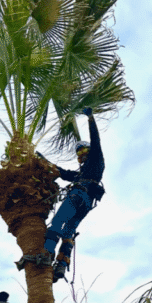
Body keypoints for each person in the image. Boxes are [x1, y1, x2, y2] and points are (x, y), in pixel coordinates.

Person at [44, 107, 105, 282]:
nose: (81, 154)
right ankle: (61, 265)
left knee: (57, 222)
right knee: (69, 231)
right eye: (78, 153)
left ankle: (47, 254)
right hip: (86, 203)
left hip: (78, 195)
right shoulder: (81, 174)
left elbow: (96, 140)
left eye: (83, 151)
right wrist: (41, 159)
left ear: (88, 150)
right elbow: (62, 172)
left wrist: (91, 118)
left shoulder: (96, 161)